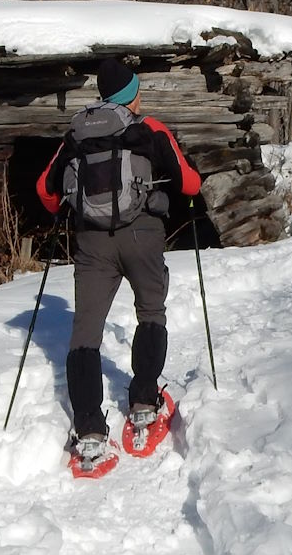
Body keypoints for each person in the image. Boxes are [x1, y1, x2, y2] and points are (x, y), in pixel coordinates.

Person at [36, 57, 202, 463]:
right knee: (150, 312)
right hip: (142, 234)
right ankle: (145, 403)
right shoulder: (149, 129)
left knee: (85, 334)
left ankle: (90, 429)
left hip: (92, 245)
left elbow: (45, 191)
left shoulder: (75, 133)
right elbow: (190, 183)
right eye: (137, 90)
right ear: (131, 95)